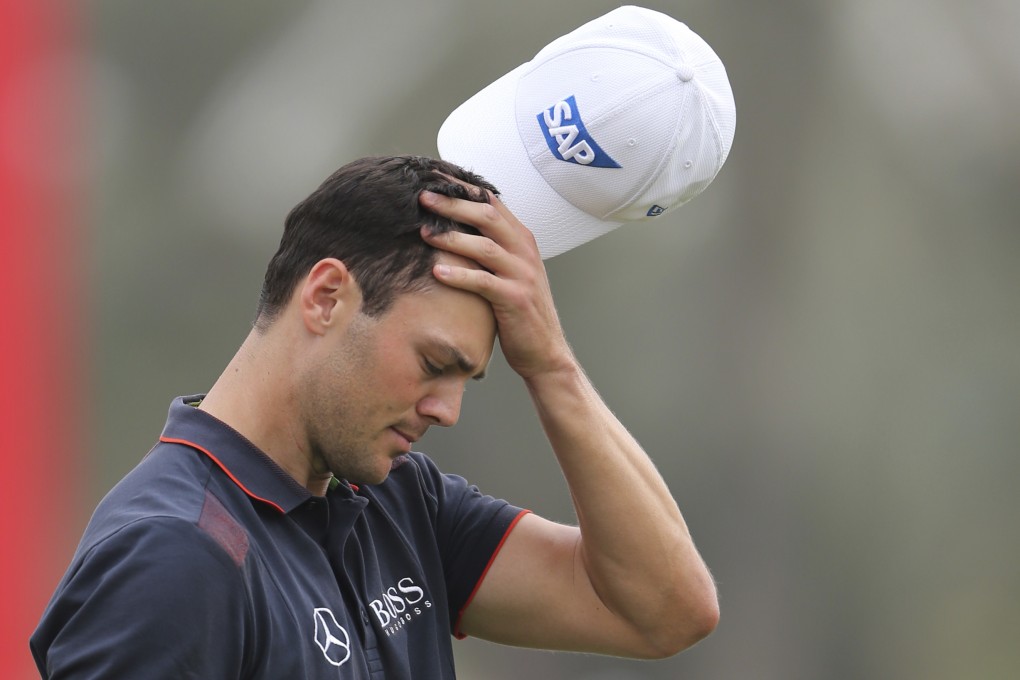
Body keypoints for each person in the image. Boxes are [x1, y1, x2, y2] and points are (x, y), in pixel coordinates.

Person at [30, 154, 719, 678]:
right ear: (328, 297)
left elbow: (665, 610)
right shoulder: (176, 555)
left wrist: (551, 367)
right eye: (434, 363)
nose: (446, 412)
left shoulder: (397, 503)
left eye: (468, 379)